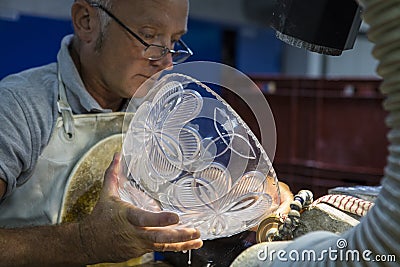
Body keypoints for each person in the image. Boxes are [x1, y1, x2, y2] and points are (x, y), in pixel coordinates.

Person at [0, 0, 293, 266]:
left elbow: (200, 179)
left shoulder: (157, 109)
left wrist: (252, 192)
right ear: (86, 21)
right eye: (149, 37)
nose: (166, 62)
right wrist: (84, 242)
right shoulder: (19, 108)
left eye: (175, 41)